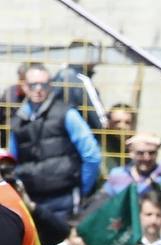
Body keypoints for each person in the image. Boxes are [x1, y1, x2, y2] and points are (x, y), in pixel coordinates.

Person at [7, 63, 101, 222]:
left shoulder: (66, 114)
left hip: (63, 199)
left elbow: (92, 156)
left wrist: (80, 190)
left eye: (43, 84)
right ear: (24, 86)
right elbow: (12, 163)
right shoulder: (17, 121)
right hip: (31, 200)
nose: (38, 89)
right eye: (33, 84)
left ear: (50, 85)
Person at [102, 132, 161, 197]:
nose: (146, 158)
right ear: (131, 153)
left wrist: (158, 142)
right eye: (141, 153)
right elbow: (104, 203)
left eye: (151, 153)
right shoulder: (117, 174)